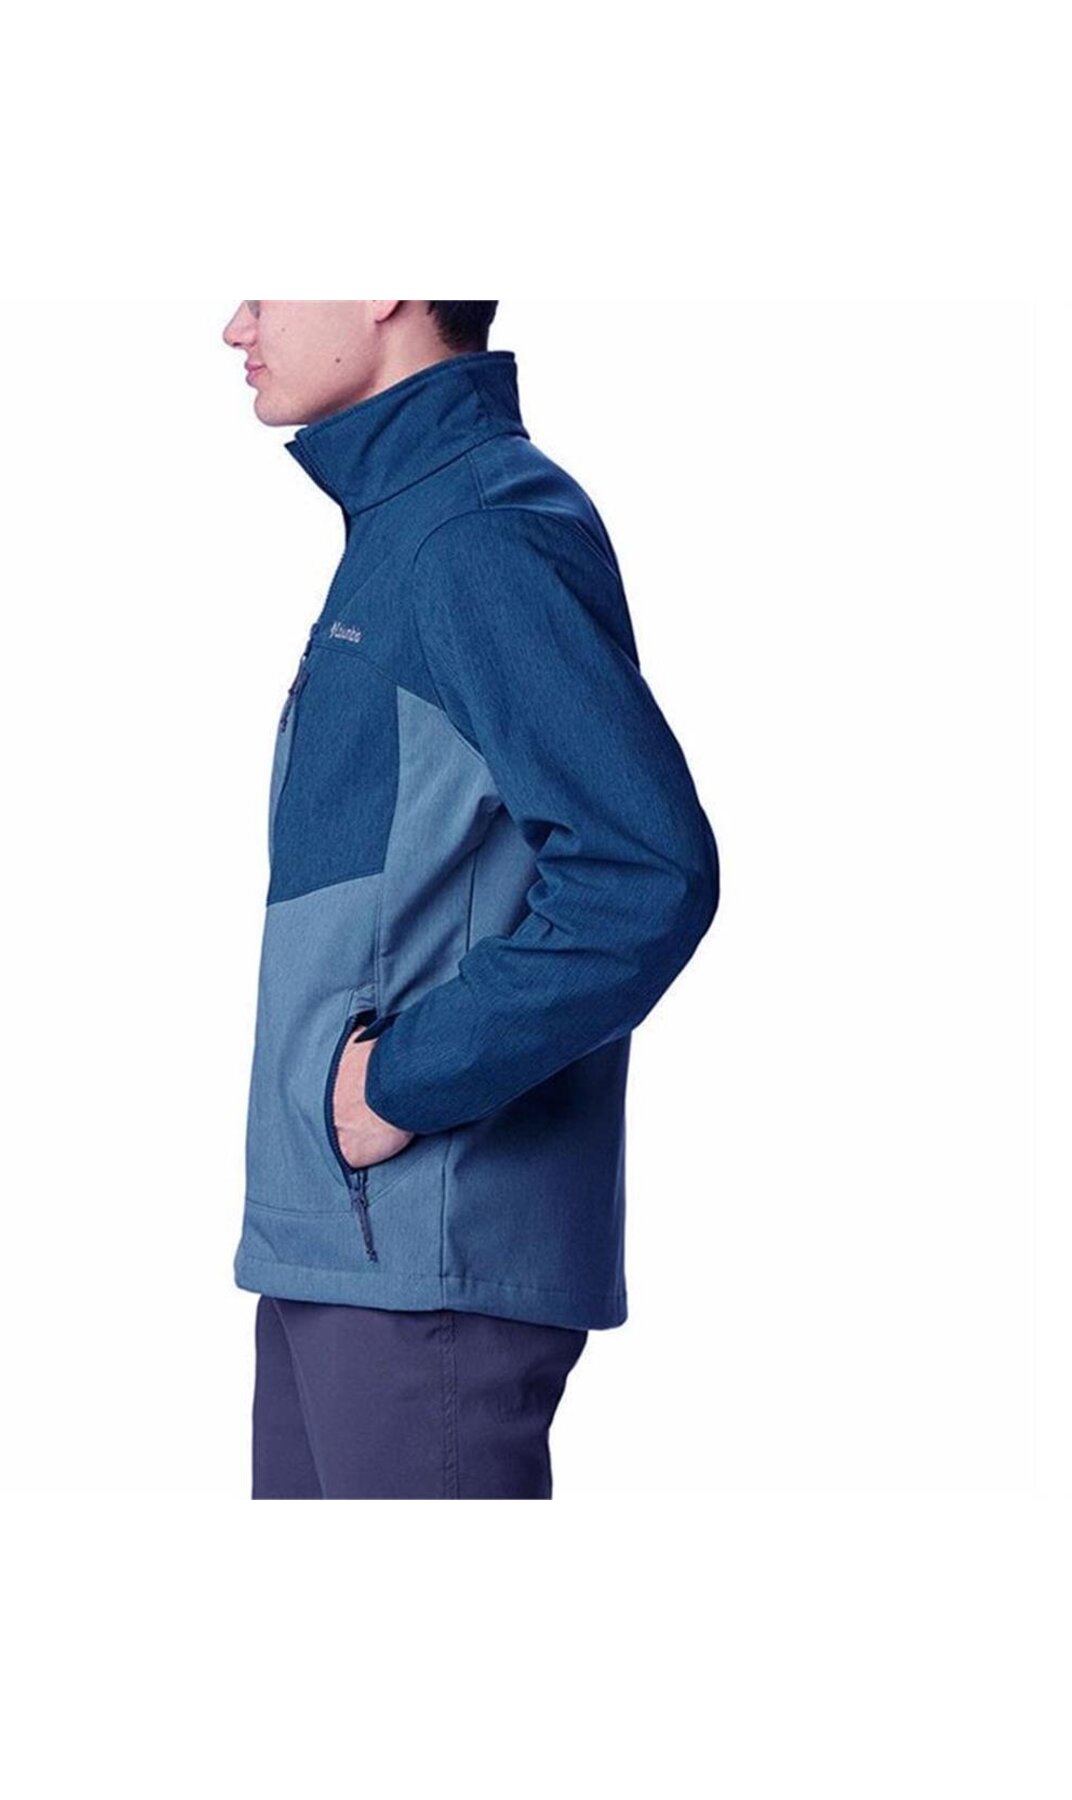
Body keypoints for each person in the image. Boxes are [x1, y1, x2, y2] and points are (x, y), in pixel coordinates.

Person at [220, 300, 720, 1498]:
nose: (237, 323)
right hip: (341, 1246)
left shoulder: (480, 533)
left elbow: (644, 870)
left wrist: (402, 1081)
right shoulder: (409, 530)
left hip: (424, 1254)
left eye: (271, 278)